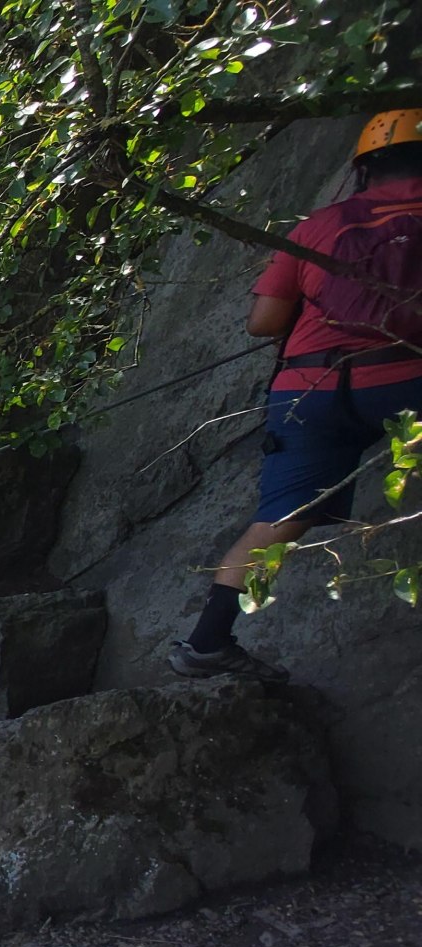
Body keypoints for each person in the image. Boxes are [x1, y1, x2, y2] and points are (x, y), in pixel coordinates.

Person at [170, 110, 422, 681]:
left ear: (363, 168)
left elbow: (263, 322)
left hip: (308, 389)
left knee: (277, 521)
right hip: (405, 376)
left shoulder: (319, 226)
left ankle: (206, 642)